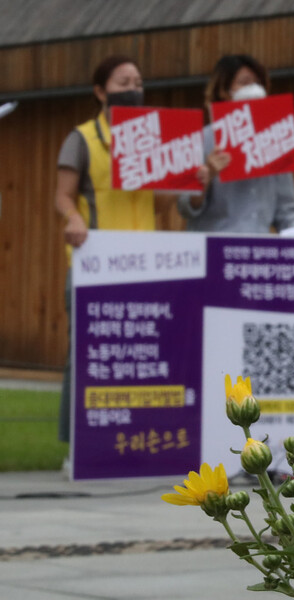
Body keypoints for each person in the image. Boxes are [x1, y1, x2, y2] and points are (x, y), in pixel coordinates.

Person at [53, 55, 156, 446]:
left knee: (141, 355)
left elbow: (161, 203)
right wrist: (73, 219)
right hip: (96, 262)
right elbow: (63, 195)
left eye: (138, 81)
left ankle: (130, 441)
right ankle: (74, 445)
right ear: (101, 92)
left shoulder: (152, 139)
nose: (133, 88)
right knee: (85, 354)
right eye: (123, 82)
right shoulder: (81, 138)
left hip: (147, 263)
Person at [177, 54, 294, 241]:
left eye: (258, 83)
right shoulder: (203, 139)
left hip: (257, 252)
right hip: (214, 249)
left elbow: (286, 214)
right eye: (245, 82)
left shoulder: (275, 138)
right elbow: (185, 208)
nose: (254, 89)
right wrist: (206, 178)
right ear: (224, 90)